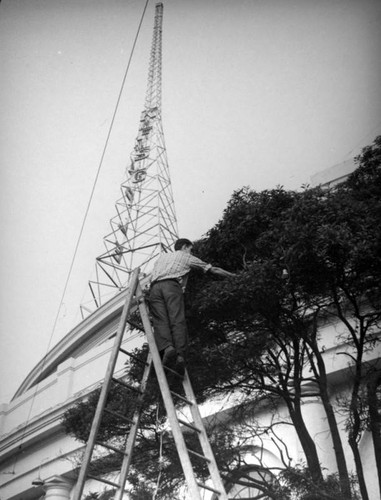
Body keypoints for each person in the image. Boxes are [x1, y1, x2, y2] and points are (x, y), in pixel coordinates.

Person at [149, 238, 235, 375]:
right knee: (177, 319)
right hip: (171, 286)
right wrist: (234, 276)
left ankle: (167, 348)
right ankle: (180, 355)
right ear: (184, 247)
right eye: (190, 248)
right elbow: (213, 269)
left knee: (160, 321)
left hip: (154, 289)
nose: (191, 251)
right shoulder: (187, 257)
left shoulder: (162, 258)